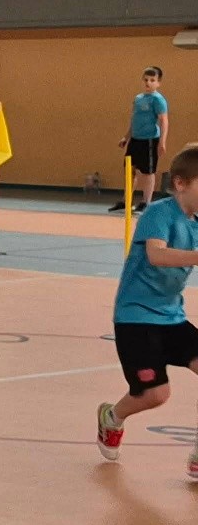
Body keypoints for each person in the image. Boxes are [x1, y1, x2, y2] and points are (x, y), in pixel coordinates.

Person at [96, 142, 198, 482]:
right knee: (156, 394)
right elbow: (157, 255)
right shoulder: (159, 213)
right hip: (136, 318)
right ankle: (112, 417)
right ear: (181, 183)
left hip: (172, 317)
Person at [116, 66, 170, 213]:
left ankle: (146, 202)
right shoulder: (138, 98)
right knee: (130, 169)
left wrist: (162, 141)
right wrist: (126, 137)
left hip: (149, 140)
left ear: (158, 83)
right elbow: (134, 120)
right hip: (135, 139)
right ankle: (126, 200)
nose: (148, 83)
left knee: (148, 172)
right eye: (146, 80)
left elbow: (164, 121)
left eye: (152, 80)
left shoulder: (158, 100)